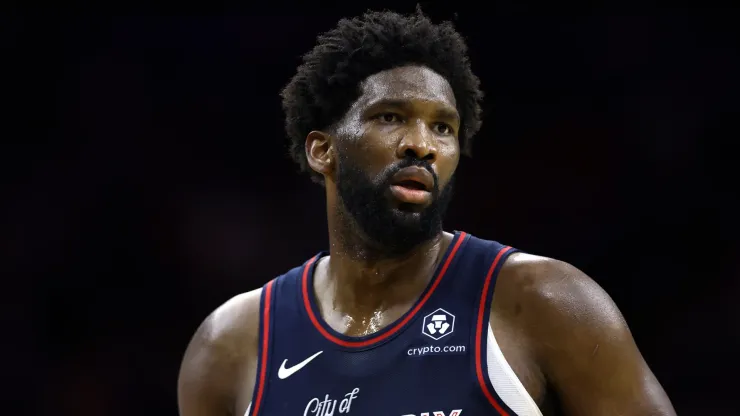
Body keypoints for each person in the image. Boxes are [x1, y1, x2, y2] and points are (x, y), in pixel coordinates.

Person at [178, 9, 676, 416]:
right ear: (322, 150)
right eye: (390, 117)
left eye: (443, 128)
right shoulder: (231, 344)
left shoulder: (547, 303)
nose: (422, 145)